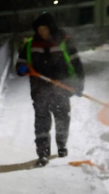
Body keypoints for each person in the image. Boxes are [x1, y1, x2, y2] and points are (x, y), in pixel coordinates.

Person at [15, 12, 85, 167]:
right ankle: (43, 153)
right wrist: (23, 68)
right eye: (39, 29)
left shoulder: (64, 42)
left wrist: (79, 85)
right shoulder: (30, 45)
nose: (41, 32)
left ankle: (61, 145)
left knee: (62, 118)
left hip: (61, 88)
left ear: (51, 28)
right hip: (39, 90)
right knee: (41, 122)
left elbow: (77, 65)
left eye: (44, 29)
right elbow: (19, 67)